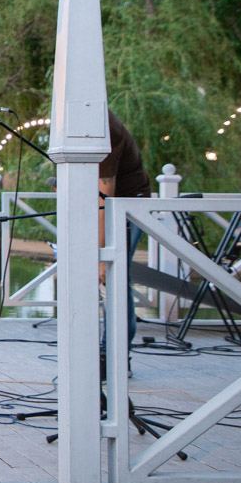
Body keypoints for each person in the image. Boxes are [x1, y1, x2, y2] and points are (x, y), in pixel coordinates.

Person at [99, 110, 151, 352]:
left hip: (128, 207)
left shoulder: (105, 129)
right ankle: (99, 349)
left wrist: (101, 256)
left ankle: (115, 352)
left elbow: (104, 197)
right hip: (105, 207)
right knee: (108, 275)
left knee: (113, 275)